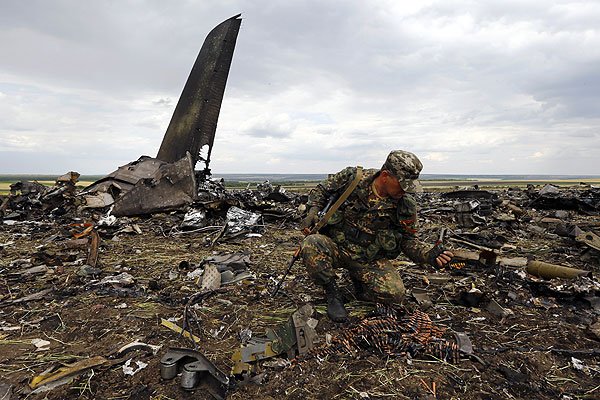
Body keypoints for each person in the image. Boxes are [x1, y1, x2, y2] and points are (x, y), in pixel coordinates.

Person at [300, 150, 454, 322]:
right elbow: (321, 190)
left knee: (395, 295)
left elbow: (408, 241)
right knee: (311, 243)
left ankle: (360, 284)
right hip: (337, 247)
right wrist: (313, 211)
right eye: (402, 185)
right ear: (385, 175)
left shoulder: (405, 205)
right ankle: (333, 293)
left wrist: (429, 255)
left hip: (368, 259)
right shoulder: (353, 178)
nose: (405, 191)